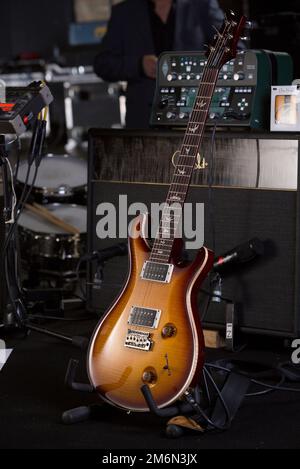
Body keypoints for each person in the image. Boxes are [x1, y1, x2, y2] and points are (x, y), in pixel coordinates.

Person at [94, 0, 224, 128]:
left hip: (195, 117)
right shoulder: (123, 12)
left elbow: (233, 54)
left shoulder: (202, 5)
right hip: (143, 121)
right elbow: (102, 64)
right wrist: (139, 65)